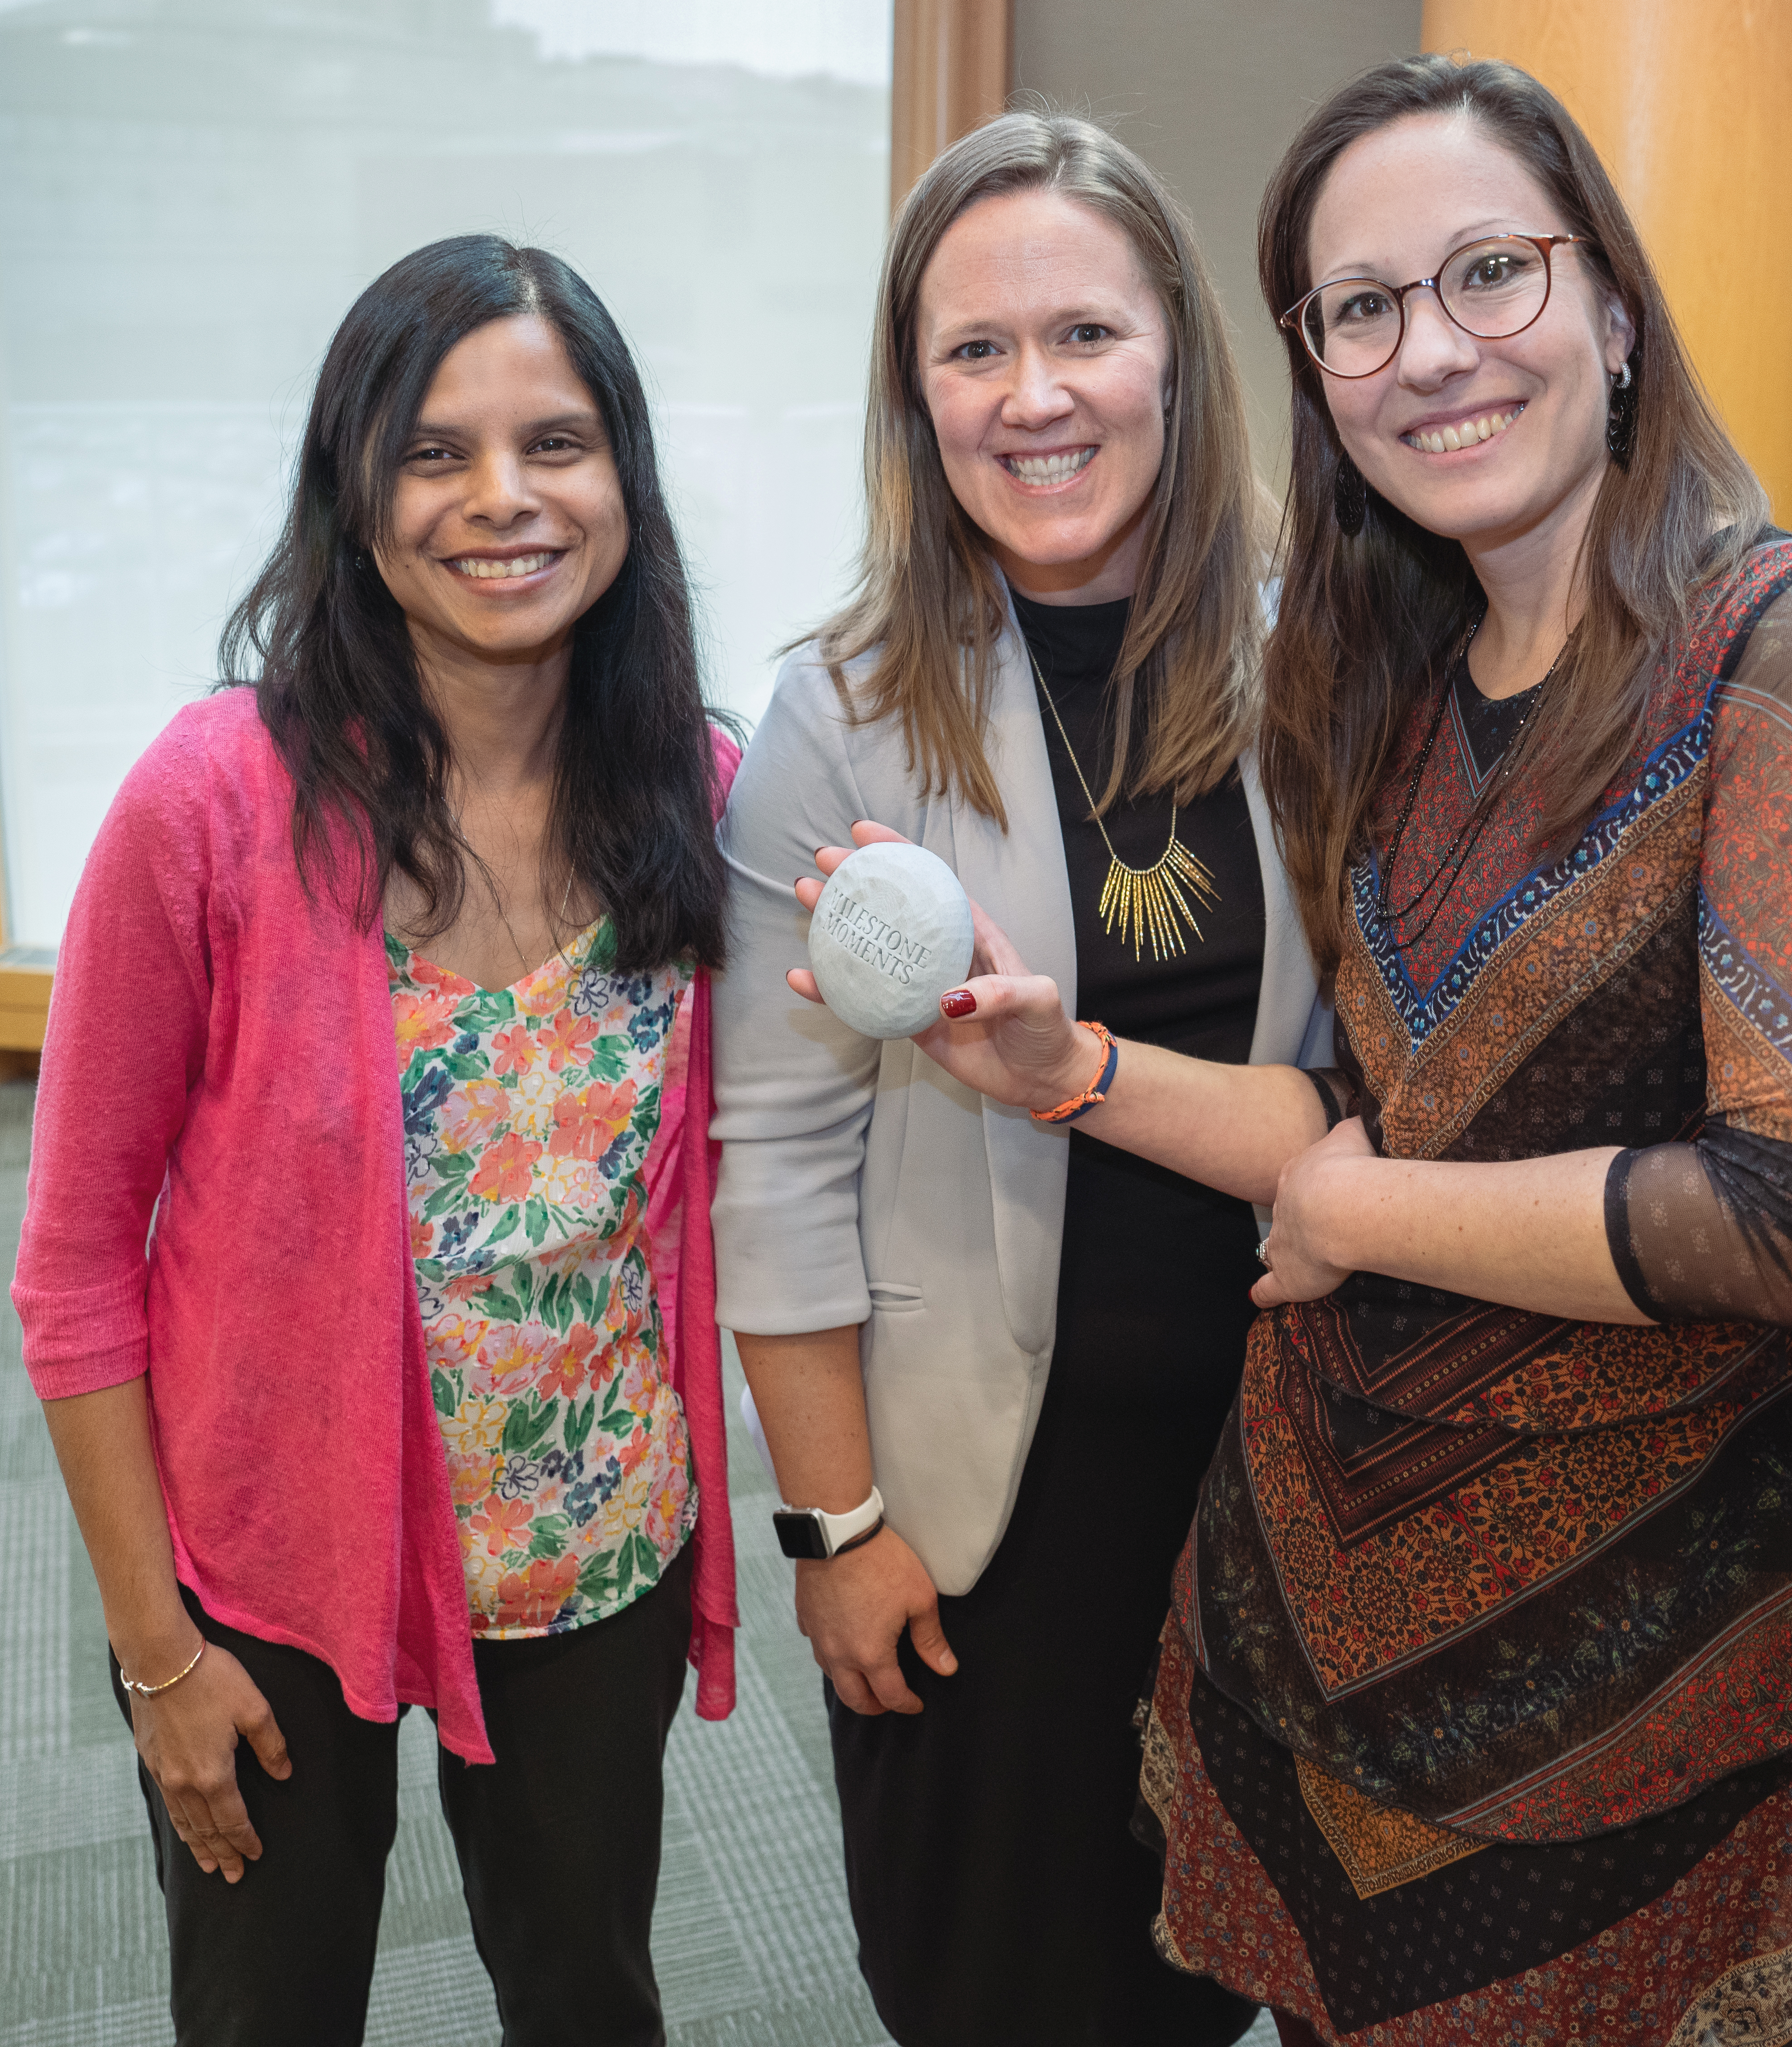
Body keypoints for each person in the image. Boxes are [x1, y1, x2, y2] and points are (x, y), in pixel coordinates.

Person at [790, 57, 1792, 2046]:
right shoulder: (1399, 678)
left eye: (1487, 273)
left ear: (1607, 300)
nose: (1430, 351)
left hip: (1618, 1633)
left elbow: (1788, 1214)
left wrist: (1353, 1204)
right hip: (1328, 1586)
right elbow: (1362, 1103)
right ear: (1312, 364)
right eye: (1361, 307)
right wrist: (1067, 1070)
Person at [14, 235, 739, 2047]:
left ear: (624, 481)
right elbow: (78, 1274)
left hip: (589, 1539)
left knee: (589, 1996)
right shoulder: (212, 804)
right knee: (268, 2014)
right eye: (434, 451)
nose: (502, 499)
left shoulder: (697, 795)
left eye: (555, 444)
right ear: (353, 485)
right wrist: (158, 1657)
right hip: (262, 1560)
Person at [712, 112, 1323, 2046]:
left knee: (1221, 1968)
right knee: (990, 1988)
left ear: (1176, 354)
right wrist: (831, 1525)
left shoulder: (1319, 652)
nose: (1031, 396)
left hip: (1279, 1486)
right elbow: (776, 1152)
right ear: (914, 391)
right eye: (972, 350)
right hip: (986, 1505)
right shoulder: (849, 710)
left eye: (1084, 334)